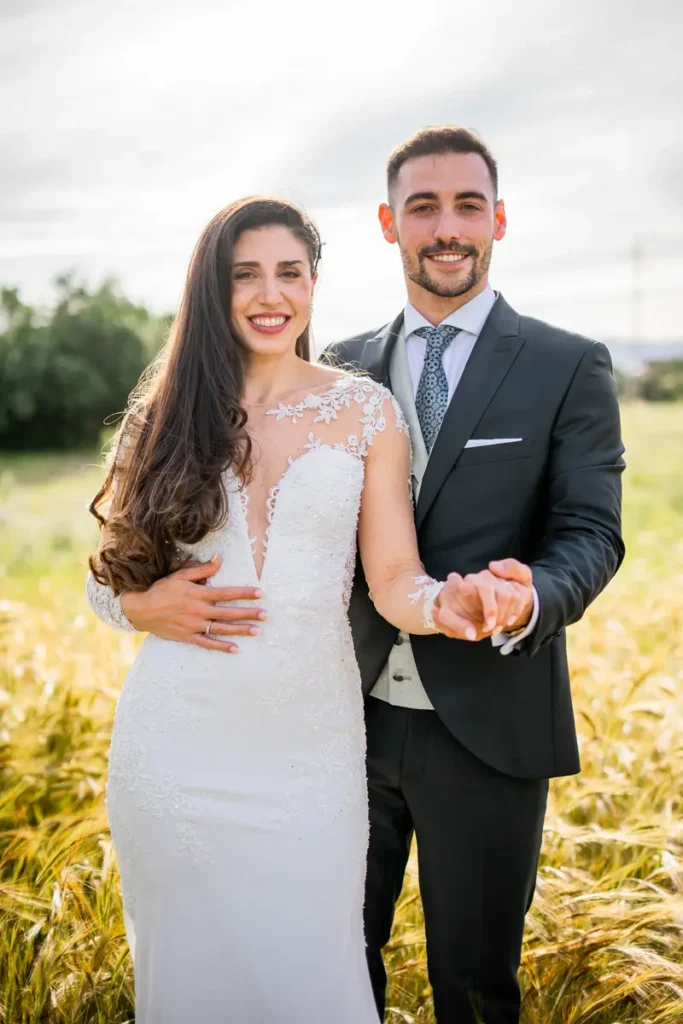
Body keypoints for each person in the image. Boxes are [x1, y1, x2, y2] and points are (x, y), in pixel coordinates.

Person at [86, 195, 528, 1023]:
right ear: (212, 289)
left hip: (308, 755)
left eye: (289, 272)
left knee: (315, 980)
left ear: (314, 283)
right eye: (244, 275)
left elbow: (394, 580)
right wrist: (143, 607)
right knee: (191, 984)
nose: (270, 294)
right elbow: (105, 582)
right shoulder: (163, 415)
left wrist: (450, 603)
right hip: (175, 746)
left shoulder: (364, 411)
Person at [322, 126, 626, 1024]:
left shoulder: (566, 364)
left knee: (475, 986)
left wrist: (532, 595)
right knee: (329, 968)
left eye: (467, 205)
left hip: (490, 723)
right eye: (423, 207)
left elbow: (590, 532)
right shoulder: (334, 367)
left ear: (498, 218)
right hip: (338, 723)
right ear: (389, 223)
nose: (446, 227)